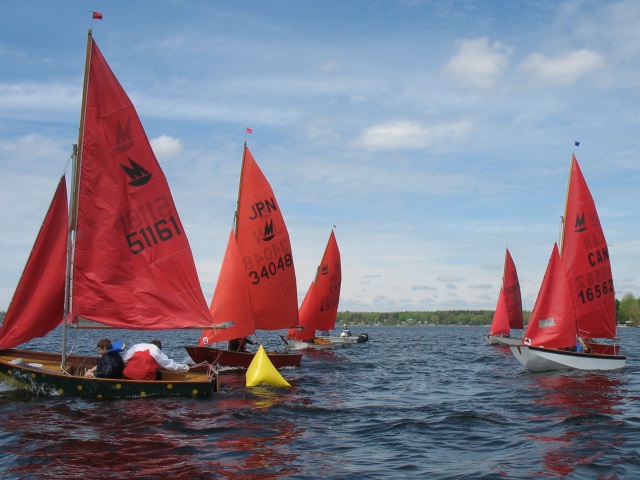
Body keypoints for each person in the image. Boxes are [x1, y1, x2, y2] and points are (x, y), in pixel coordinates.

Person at [122, 339, 189, 380]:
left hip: (127, 375)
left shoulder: (136, 346)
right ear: (159, 348)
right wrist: (184, 367)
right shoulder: (156, 350)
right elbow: (170, 365)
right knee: (159, 375)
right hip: (143, 378)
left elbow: (124, 359)